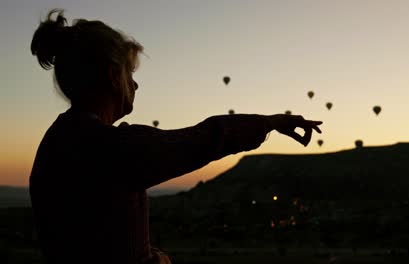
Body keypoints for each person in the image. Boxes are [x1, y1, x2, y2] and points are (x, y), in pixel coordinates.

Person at [29, 9, 323, 264]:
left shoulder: (60, 140)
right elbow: (201, 140)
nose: (135, 84)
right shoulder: (106, 147)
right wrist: (269, 123)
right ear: (111, 75)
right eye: (130, 72)